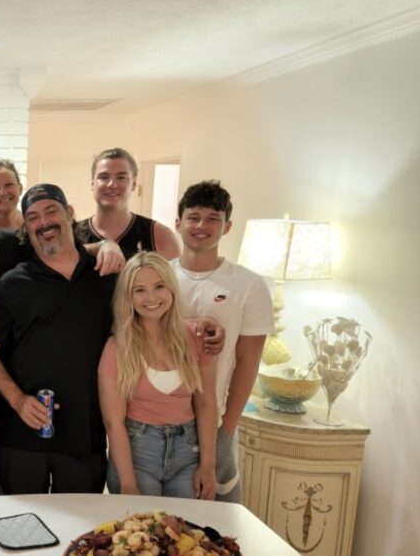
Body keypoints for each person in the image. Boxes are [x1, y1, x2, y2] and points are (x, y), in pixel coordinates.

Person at [0, 183, 117, 494]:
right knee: (22, 531)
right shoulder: (12, 284)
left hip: (86, 437)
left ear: (70, 214)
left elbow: (153, 313)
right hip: (22, 437)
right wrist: (17, 400)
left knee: (81, 536)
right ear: (26, 226)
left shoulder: (106, 276)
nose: (43, 223)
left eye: (51, 211)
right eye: (32, 217)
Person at [171, 180, 274, 503]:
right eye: (194, 217)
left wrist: (227, 425)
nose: (202, 226)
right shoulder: (160, 278)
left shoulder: (248, 285)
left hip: (214, 420)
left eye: (213, 218)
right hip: (158, 420)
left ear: (227, 226)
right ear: (179, 223)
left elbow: (248, 361)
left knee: (217, 514)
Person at [99, 252, 217, 499]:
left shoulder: (195, 337)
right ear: (127, 298)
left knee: (186, 532)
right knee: (143, 534)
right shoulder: (116, 348)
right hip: (138, 454)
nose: (151, 298)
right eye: (139, 290)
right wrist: (128, 484)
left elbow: (206, 404)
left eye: (159, 286)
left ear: (171, 288)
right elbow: (114, 424)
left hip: (188, 452)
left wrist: (208, 466)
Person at [77, 148, 181, 260]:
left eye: (121, 177)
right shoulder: (72, 235)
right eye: (104, 177)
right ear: (92, 183)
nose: (112, 184)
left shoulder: (160, 236)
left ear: (134, 184)